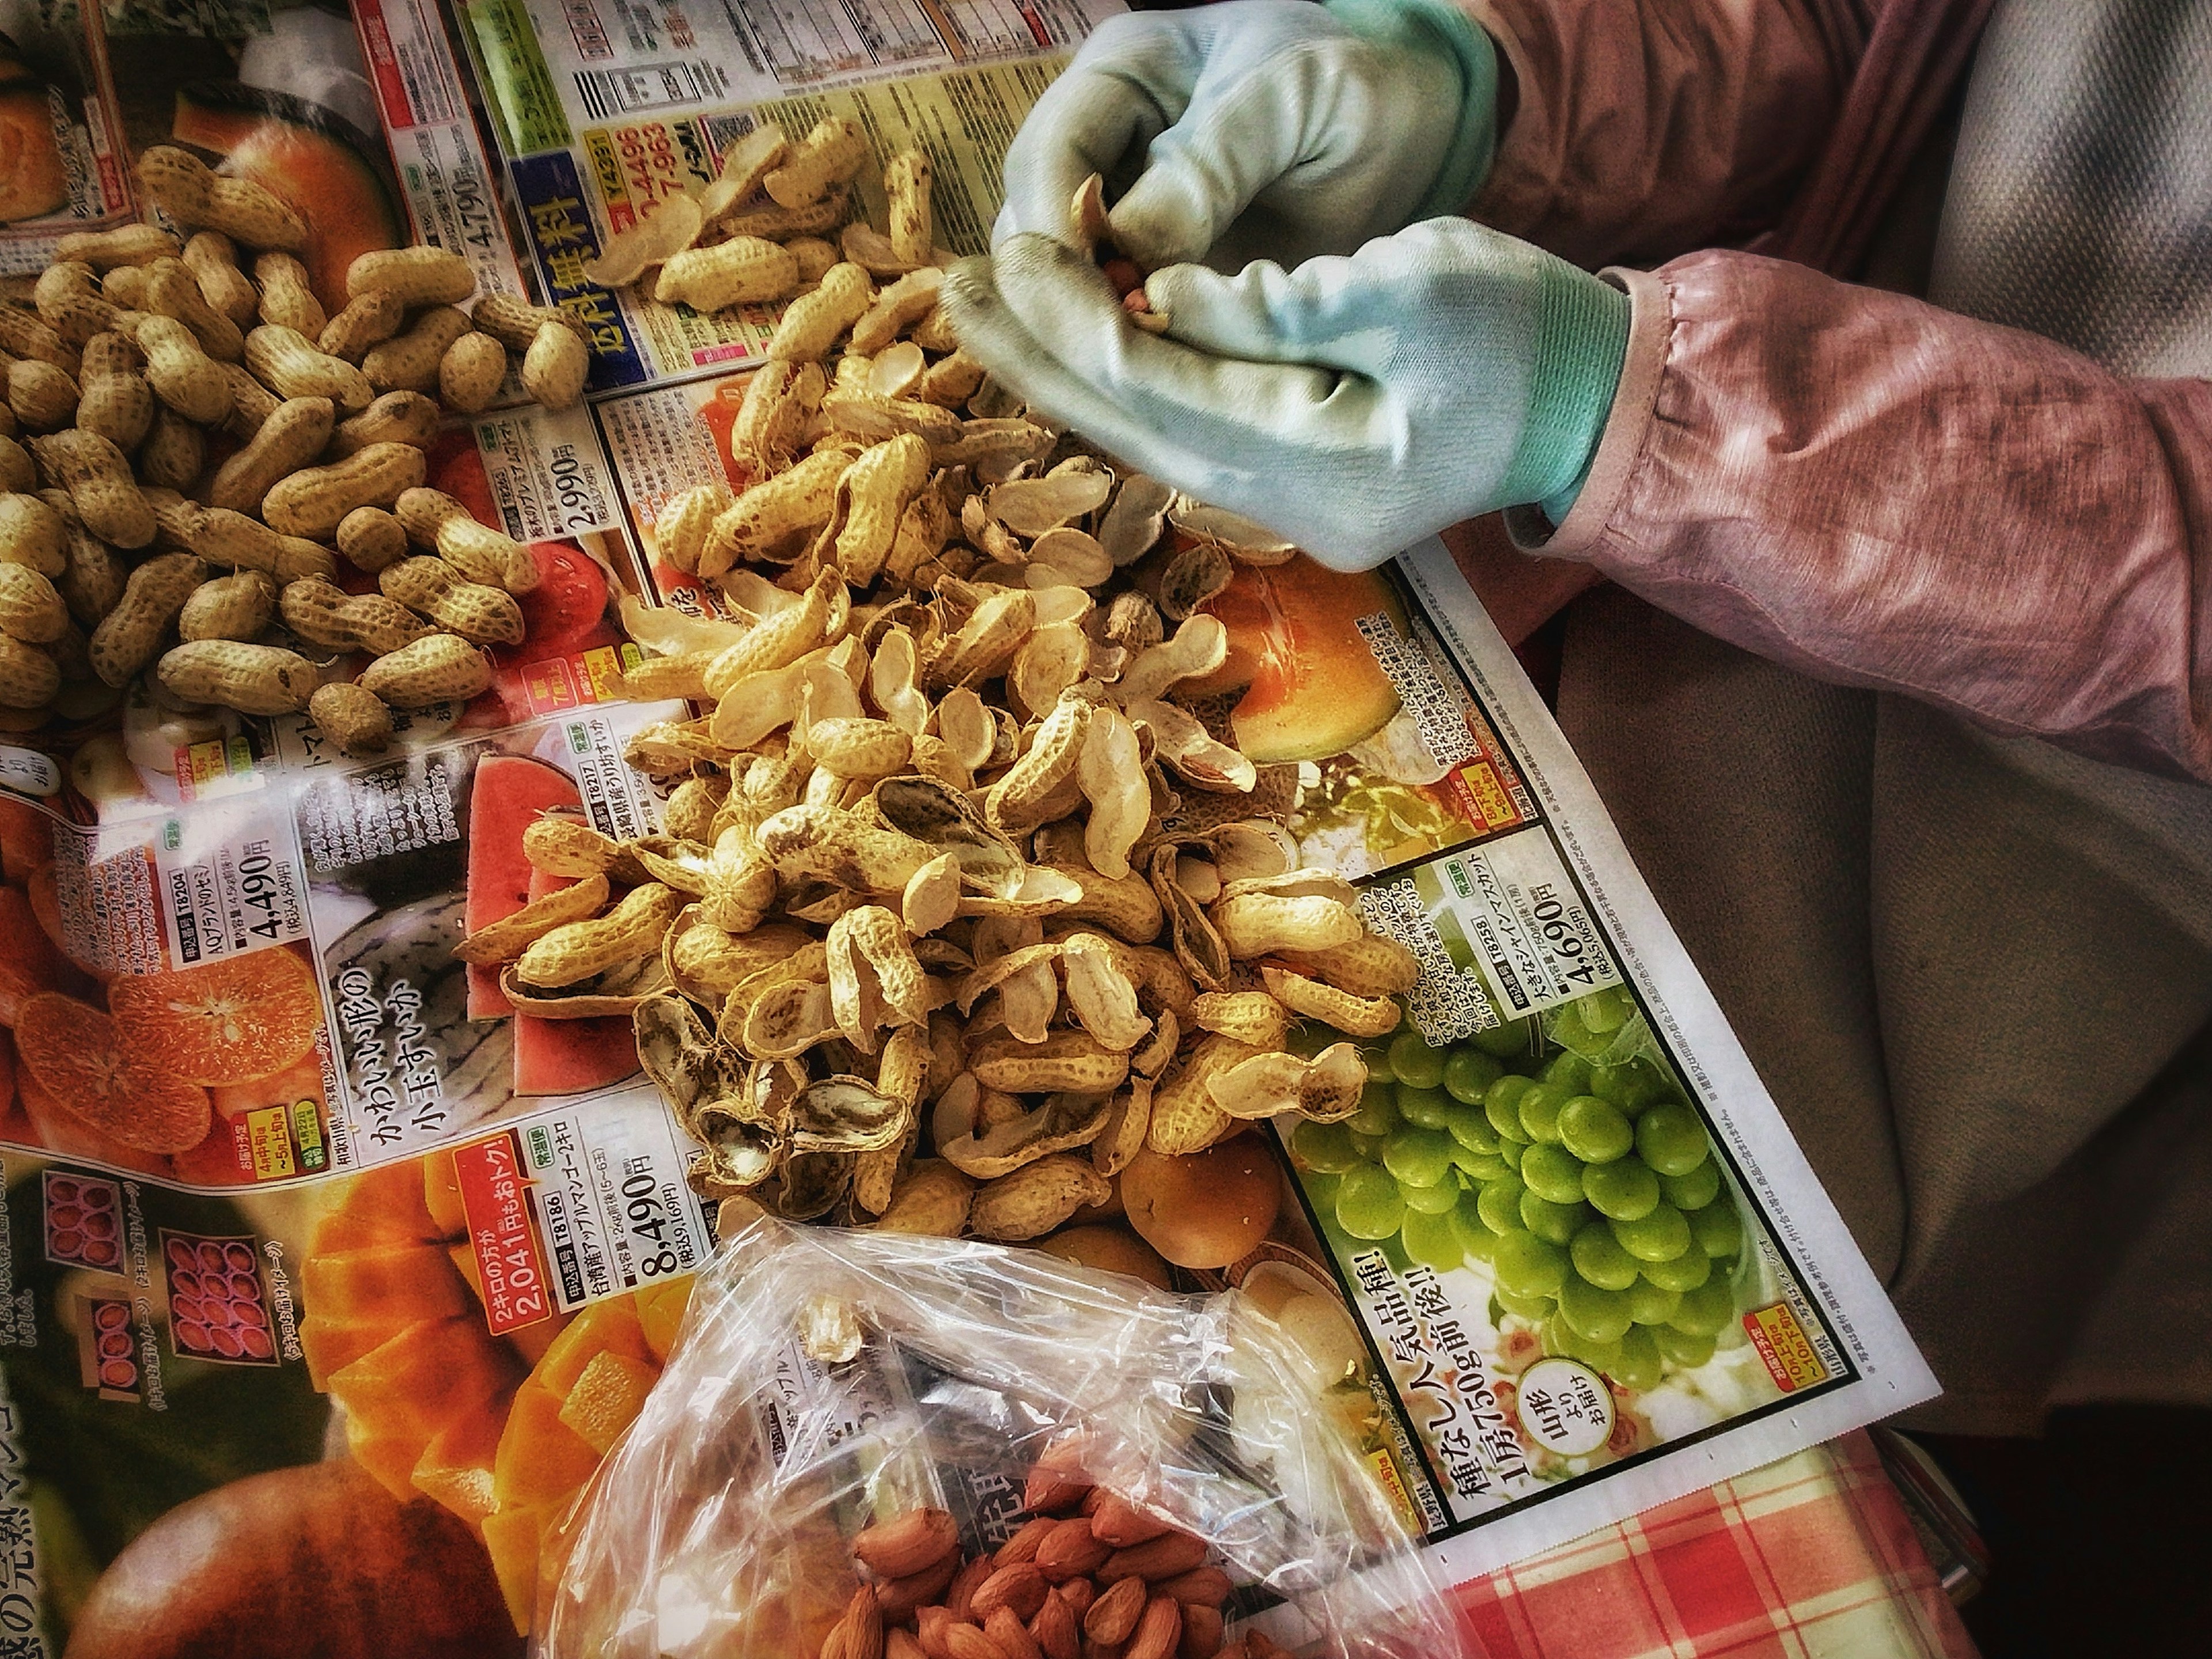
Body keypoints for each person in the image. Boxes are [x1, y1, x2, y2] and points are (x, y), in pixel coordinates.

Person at [946, 0, 2212, 1512]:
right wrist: (1495, 85)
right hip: (1605, 564)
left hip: (2032, 860)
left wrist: (1655, 418)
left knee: (1766, 1350)